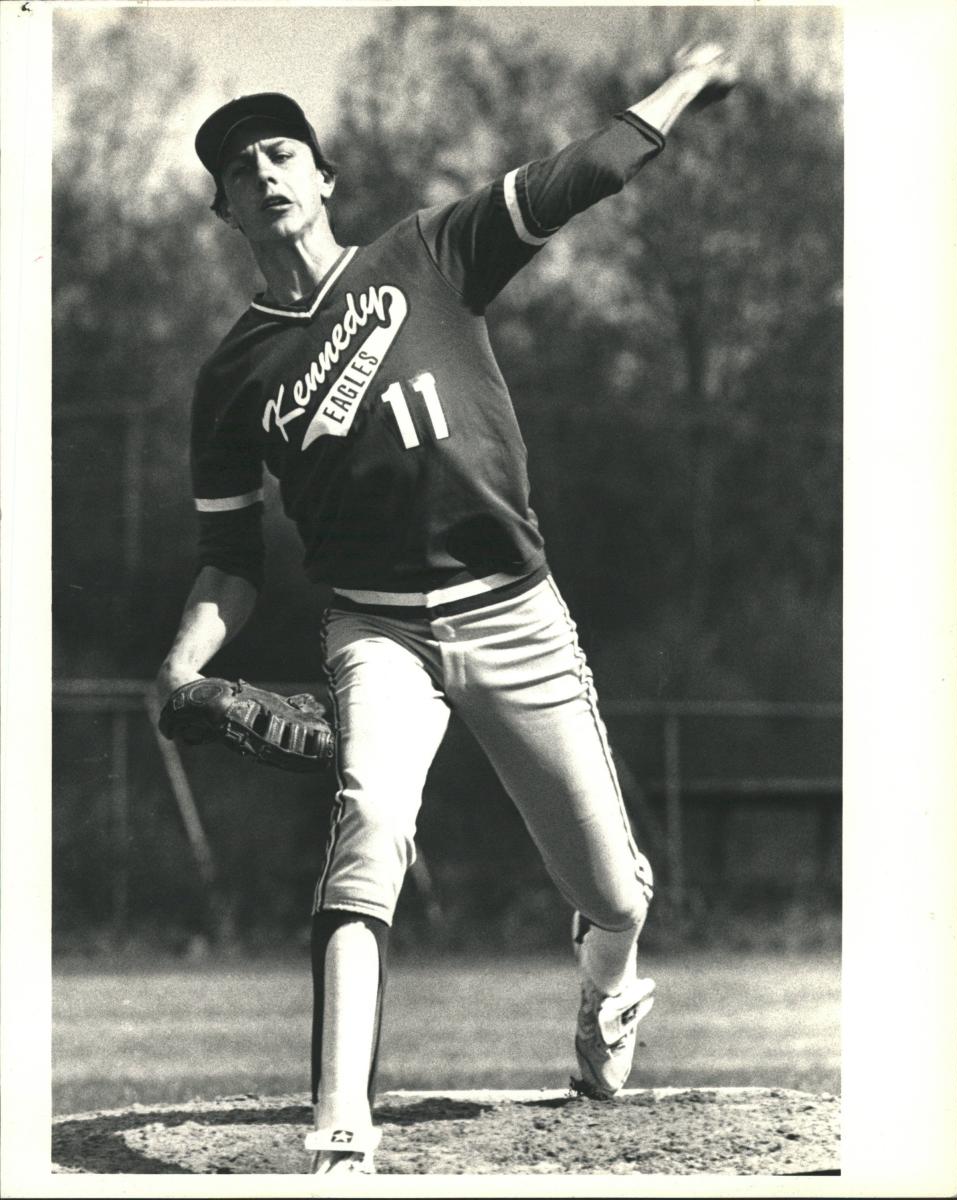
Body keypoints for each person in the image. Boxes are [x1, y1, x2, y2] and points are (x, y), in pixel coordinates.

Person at [156, 41, 737, 1175]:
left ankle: (609, 994)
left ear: (322, 176)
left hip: (516, 611)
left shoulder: (425, 251)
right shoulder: (232, 378)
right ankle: (339, 1138)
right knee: (367, 828)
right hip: (376, 628)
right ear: (224, 210)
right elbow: (229, 560)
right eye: (237, 167)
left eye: (282, 150)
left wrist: (687, 79)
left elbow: (583, 172)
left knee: (615, 893)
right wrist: (180, 665)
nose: (262, 171)